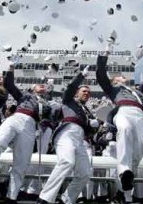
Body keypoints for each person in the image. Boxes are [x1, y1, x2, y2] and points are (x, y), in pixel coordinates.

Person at [0, 62, 52, 204]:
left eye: (44, 86)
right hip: (16, 118)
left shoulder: (49, 104)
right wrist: (11, 69)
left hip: (31, 127)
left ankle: (11, 197)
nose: (42, 86)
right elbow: (9, 84)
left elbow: (52, 118)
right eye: (39, 85)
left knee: (21, 163)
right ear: (32, 89)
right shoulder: (25, 96)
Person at [96, 50, 143, 196]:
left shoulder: (137, 92)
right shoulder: (112, 88)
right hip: (123, 111)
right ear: (115, 81)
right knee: (124, 130)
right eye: (119, 76)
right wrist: (104, 55)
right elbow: (101, 74)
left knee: (138, 152)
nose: (122, 76)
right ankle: (124, 170)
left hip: (139, 115)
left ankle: (124, 185)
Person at [37, 66, 98, 204]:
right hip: (67, 133)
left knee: (85, 173)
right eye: (84, 91)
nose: (87, 93)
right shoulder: (69, 100)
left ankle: (66, 200)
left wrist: (94, 127)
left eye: (88, 92)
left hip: (80, 139)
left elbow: (89, 132)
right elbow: (70, 87)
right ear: (77, 93)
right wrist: (82, 75)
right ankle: (45, 198)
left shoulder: (87, 111)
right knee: (66, 161)